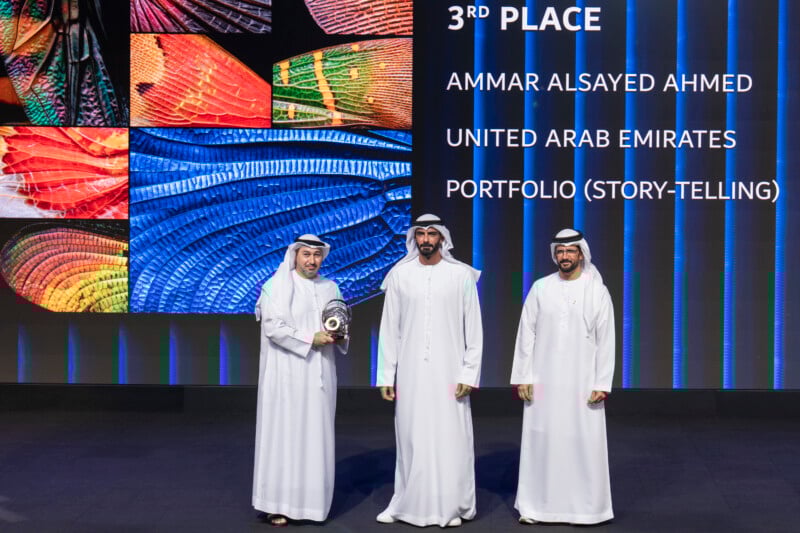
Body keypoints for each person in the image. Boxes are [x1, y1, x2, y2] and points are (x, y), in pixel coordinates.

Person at [376, 213, 483, 528]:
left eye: (431, 234)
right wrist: (386, 375)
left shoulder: (461, 275)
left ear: (442, 238)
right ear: (414, 239)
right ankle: (405, 503)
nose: (425, 239)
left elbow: (474, 332)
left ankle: (452, 505)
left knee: (451, 438)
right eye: (420, 234)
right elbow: (389, 329)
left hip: (450, 371)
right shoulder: (400, 275)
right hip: (410, 372)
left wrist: (468, 374)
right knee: (411, 435)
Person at [510, 228, 615, 525]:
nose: (564, 256)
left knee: (583, 443)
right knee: (542, 441)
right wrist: (523, 376)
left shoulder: (597, 290)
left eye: (570, 251)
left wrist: (601, 383)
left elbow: (606, 340)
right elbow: (525, 334)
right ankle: (535, 507)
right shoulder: (541, 288)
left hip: (583, 382)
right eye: (560, 251)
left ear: (581, 253)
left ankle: (586, 510)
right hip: (544, 381)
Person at [252, 235, 348, 527]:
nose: (312, 260)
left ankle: (312, 505)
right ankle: (277, 504)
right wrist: (311, 338)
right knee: (283, 436)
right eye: (306, 254)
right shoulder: (277, 286)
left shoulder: (331, 287)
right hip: (285, 375)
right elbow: (273, 328)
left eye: (317, 255)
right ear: (294, 255)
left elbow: (339, 321)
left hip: (319, 375)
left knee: (315, 436)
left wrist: (339, 333)